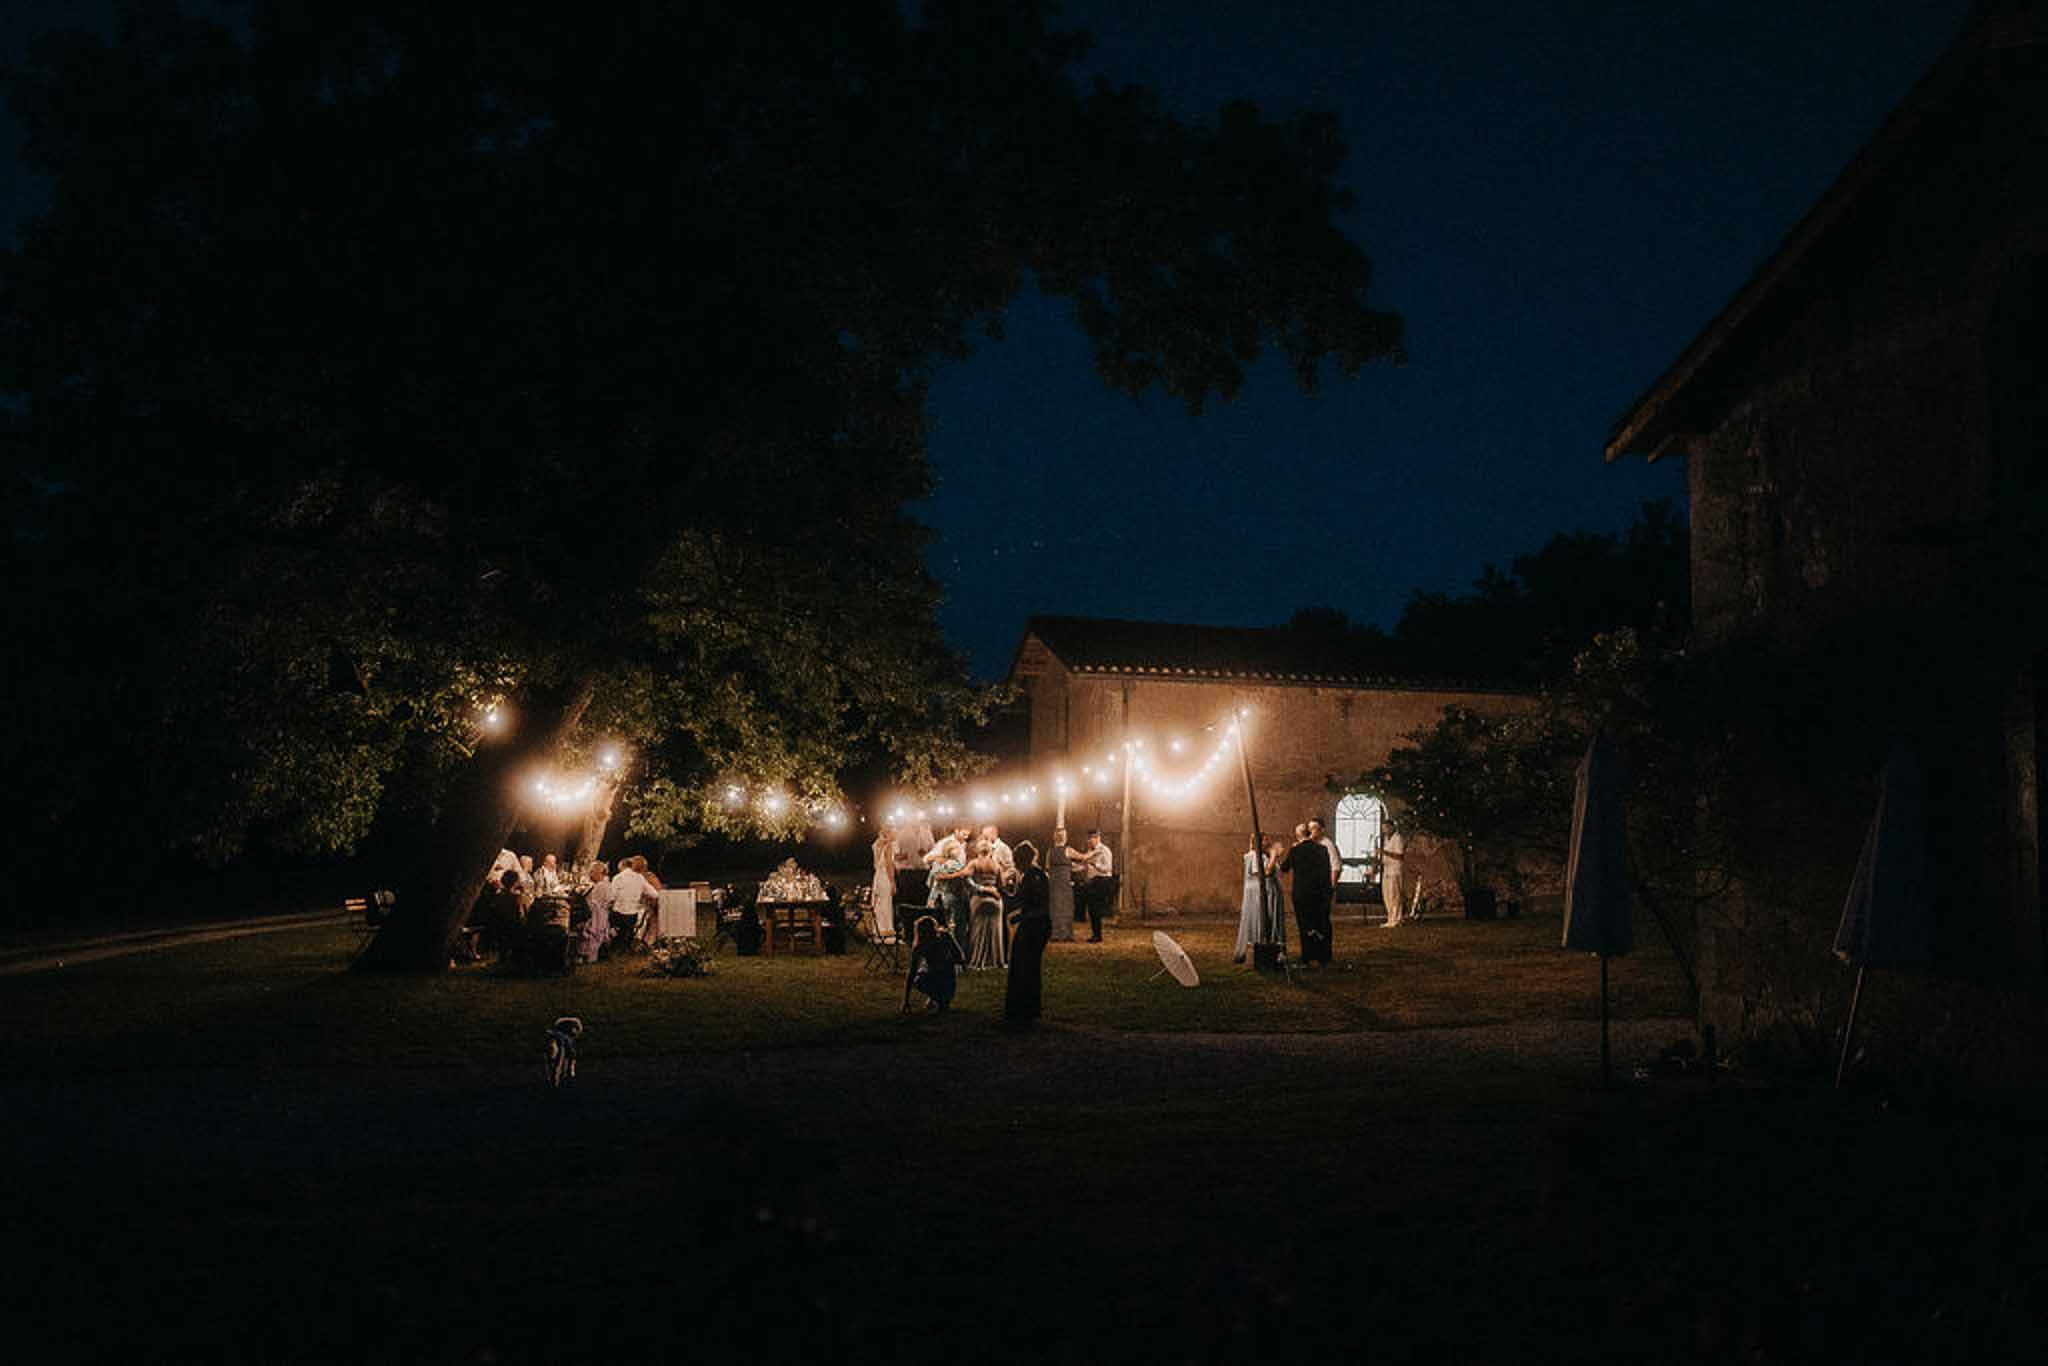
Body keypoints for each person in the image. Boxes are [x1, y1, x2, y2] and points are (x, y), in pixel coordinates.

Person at [1004, 841, 1051, 1025]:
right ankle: (1024, 1008)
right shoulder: (1027, 876)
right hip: (1030, 924)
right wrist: (1003, 891)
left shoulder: (1037, 876)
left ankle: (1026, 1009)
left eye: (1017, 861)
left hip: (1036, 926)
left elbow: (1040, 907)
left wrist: (1020, 917)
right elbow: (1018, 900)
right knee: (1022, 965)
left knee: (1027, 966)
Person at [1282, 824, 1334, 966]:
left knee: (1305, 925)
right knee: (1320, 923)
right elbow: (1326, 870)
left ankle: (1307, 955)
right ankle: (1324, 955)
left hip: (1302, 893)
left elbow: (1284, 868)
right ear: (1309, 833)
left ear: (1298, 835)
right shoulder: (1322, 849)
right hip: (1319, 893)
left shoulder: (1295, 850)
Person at [1234, 835, 1288, 964]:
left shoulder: (1262, 855)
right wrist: (1274, 856)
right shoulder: (1255, 856)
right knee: (1263, 918)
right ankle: (1264, 948)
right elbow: (1265, 873)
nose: (1268, 842)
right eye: (1265, 840)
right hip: (1263, 893)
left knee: (1270, 918)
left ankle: (1275, 948)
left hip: (1270, 891)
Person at [902, 914, 964, 1014]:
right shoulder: (941, 937)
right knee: (923, 973)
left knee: (921, 978)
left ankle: (940, 1000)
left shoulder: (942, 938)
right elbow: (959, 955)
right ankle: (938, 999)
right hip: (945, 974)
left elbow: (958, 955)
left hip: (946, 976)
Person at [965, 838, 1007, 970]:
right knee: (995, 932)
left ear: (978, 850)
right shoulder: (996, 865)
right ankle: (995, 960)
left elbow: (966, 879)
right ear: (990, 851)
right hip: (995, 900)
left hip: (979, 899)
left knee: (977, 931)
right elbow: (1002, 884)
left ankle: (976, 960)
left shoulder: (974, 863)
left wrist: (981, 888)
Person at [1069, 830, 1113, 941]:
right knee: (1092, 908)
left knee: (1095, 908)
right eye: (1088, 839)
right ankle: (1095, 934)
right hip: (1092, 881)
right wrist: (1072, 867)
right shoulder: (1090, 851)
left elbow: (1108, 868)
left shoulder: (1104, 850)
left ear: (1098, 838)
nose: (1089, 841)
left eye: (1091, 839)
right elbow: (1084, 866)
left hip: (1102, 880)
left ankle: (1097, 935)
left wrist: (1095, 864)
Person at [468, 869, 524, 958]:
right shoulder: (515, 898)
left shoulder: (497, 896)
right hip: (508, 928)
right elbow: (520, 915)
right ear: (515, 882)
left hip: (497, 926)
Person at [610, 855, 657, 952]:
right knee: (635, 922)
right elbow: (654, 894)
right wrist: (642, 895)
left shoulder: (618, 877)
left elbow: (611, 897)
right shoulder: (640, 878)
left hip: (617, 915)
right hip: (631, 916)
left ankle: (615, 944)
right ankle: (626, 946)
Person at [894, 817, 934, 910]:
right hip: (907, 872)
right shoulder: (901, 834)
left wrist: (926, 854)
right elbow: (894, 855)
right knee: (907, 902)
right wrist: (903, 856)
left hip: (923, 872)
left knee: (923, 901)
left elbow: (934, 852)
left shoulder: (927, 833)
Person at [579, 861, 613, 962]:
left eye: (592, 872)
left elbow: (592, 905)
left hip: (595, 918)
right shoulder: (604, 884)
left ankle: (584, 955)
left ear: (599, 873)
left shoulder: (601, 886)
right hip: (600, 917)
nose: (589, 874)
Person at [1046, 826, 1075, 942]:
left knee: (1055, 908)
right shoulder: (1068, 850)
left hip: (1054, 882)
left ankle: (1056, 934)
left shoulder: (1050, 851)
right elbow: (1083, 857)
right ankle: (1066, 934)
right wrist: (1094, 854)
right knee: (1066, 907)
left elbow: (1047, 868)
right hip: (1064, 883)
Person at [871, 827, 898, 936]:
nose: (896, 835)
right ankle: (886, 928)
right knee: (886, 901)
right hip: (885, 876)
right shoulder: (888, 846)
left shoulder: (876, 845)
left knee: (879, 902)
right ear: (888, 834)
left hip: (878, 875)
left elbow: (875, 864)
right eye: (894, 833)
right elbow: (889, 865)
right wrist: (892, 882)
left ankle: (878, 927)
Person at [1380, 820, 1407, 928]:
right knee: (1387, 895)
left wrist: (1384, 852)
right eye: (1383, 829)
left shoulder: (1398, 838)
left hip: (1395, 871)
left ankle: (1396, 919)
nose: (1384, 831)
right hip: (1387, 870)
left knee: (1394, 895)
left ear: (1392, 827)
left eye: (1386, 828)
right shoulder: (1386, 839)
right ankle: (1390, 918)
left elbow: (1400, 856)